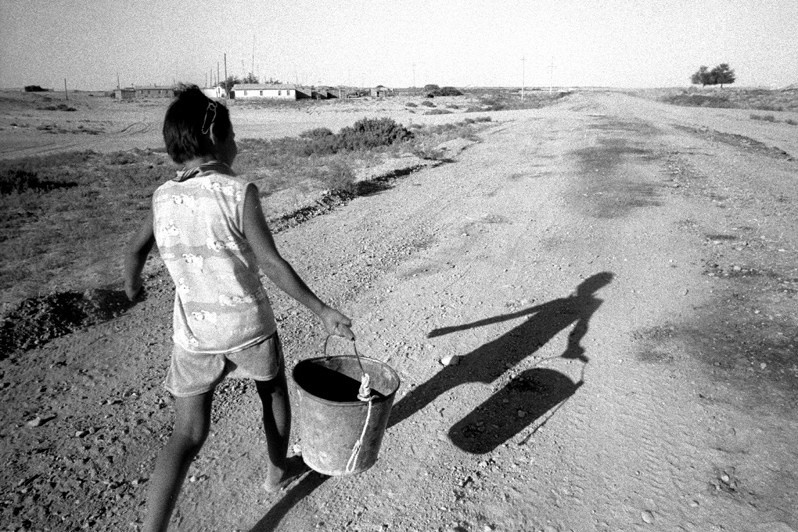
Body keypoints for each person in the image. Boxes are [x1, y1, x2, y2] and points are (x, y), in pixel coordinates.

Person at [124, 85, 354, 532]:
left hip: (194, 335)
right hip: (249, 327)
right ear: (213, 136)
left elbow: (134, 251)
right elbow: (270, 262)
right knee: (272, 394)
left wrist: (132, 288)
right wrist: (321, 309)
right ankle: (275, 473)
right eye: (232, 134)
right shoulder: (237, 191)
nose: (237, 144)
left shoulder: (161, 198)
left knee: (187, 434)